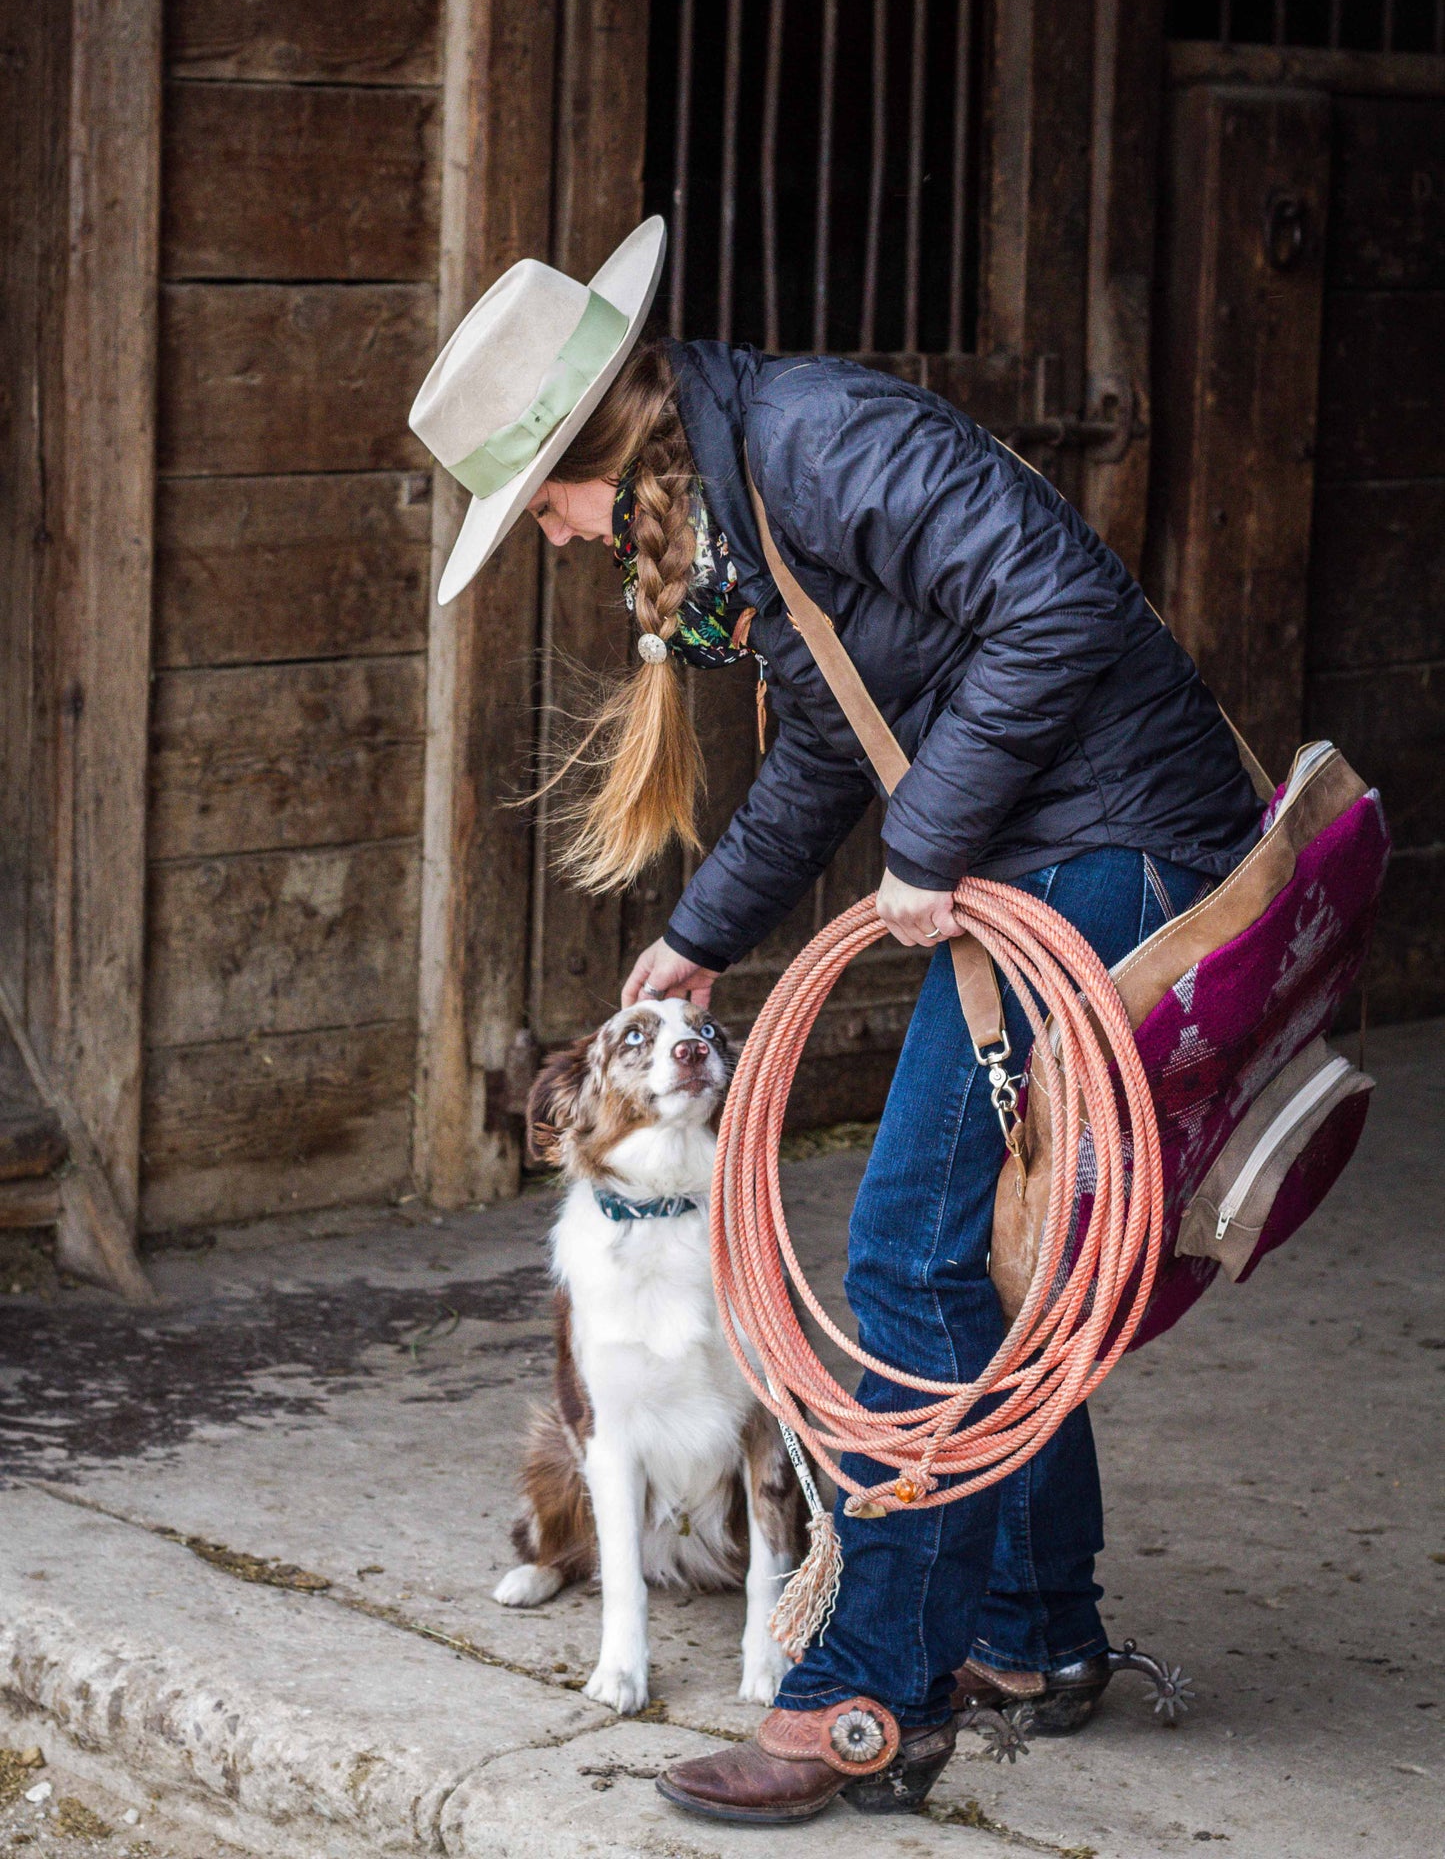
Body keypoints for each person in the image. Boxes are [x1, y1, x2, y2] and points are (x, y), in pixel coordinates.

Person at [409, 219, 1260, 1826]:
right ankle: (1026, 1632)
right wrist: (698, 941)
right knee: (998, 1269)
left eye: (541, 508)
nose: (551, 539)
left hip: (1114, 847)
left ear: (598, 452)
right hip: (1057, 838)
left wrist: (929, 846)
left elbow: (1060, 609)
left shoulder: (816, 441)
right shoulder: (739, 510)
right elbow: (828, 748)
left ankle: (864, 1695)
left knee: (908, 1254)